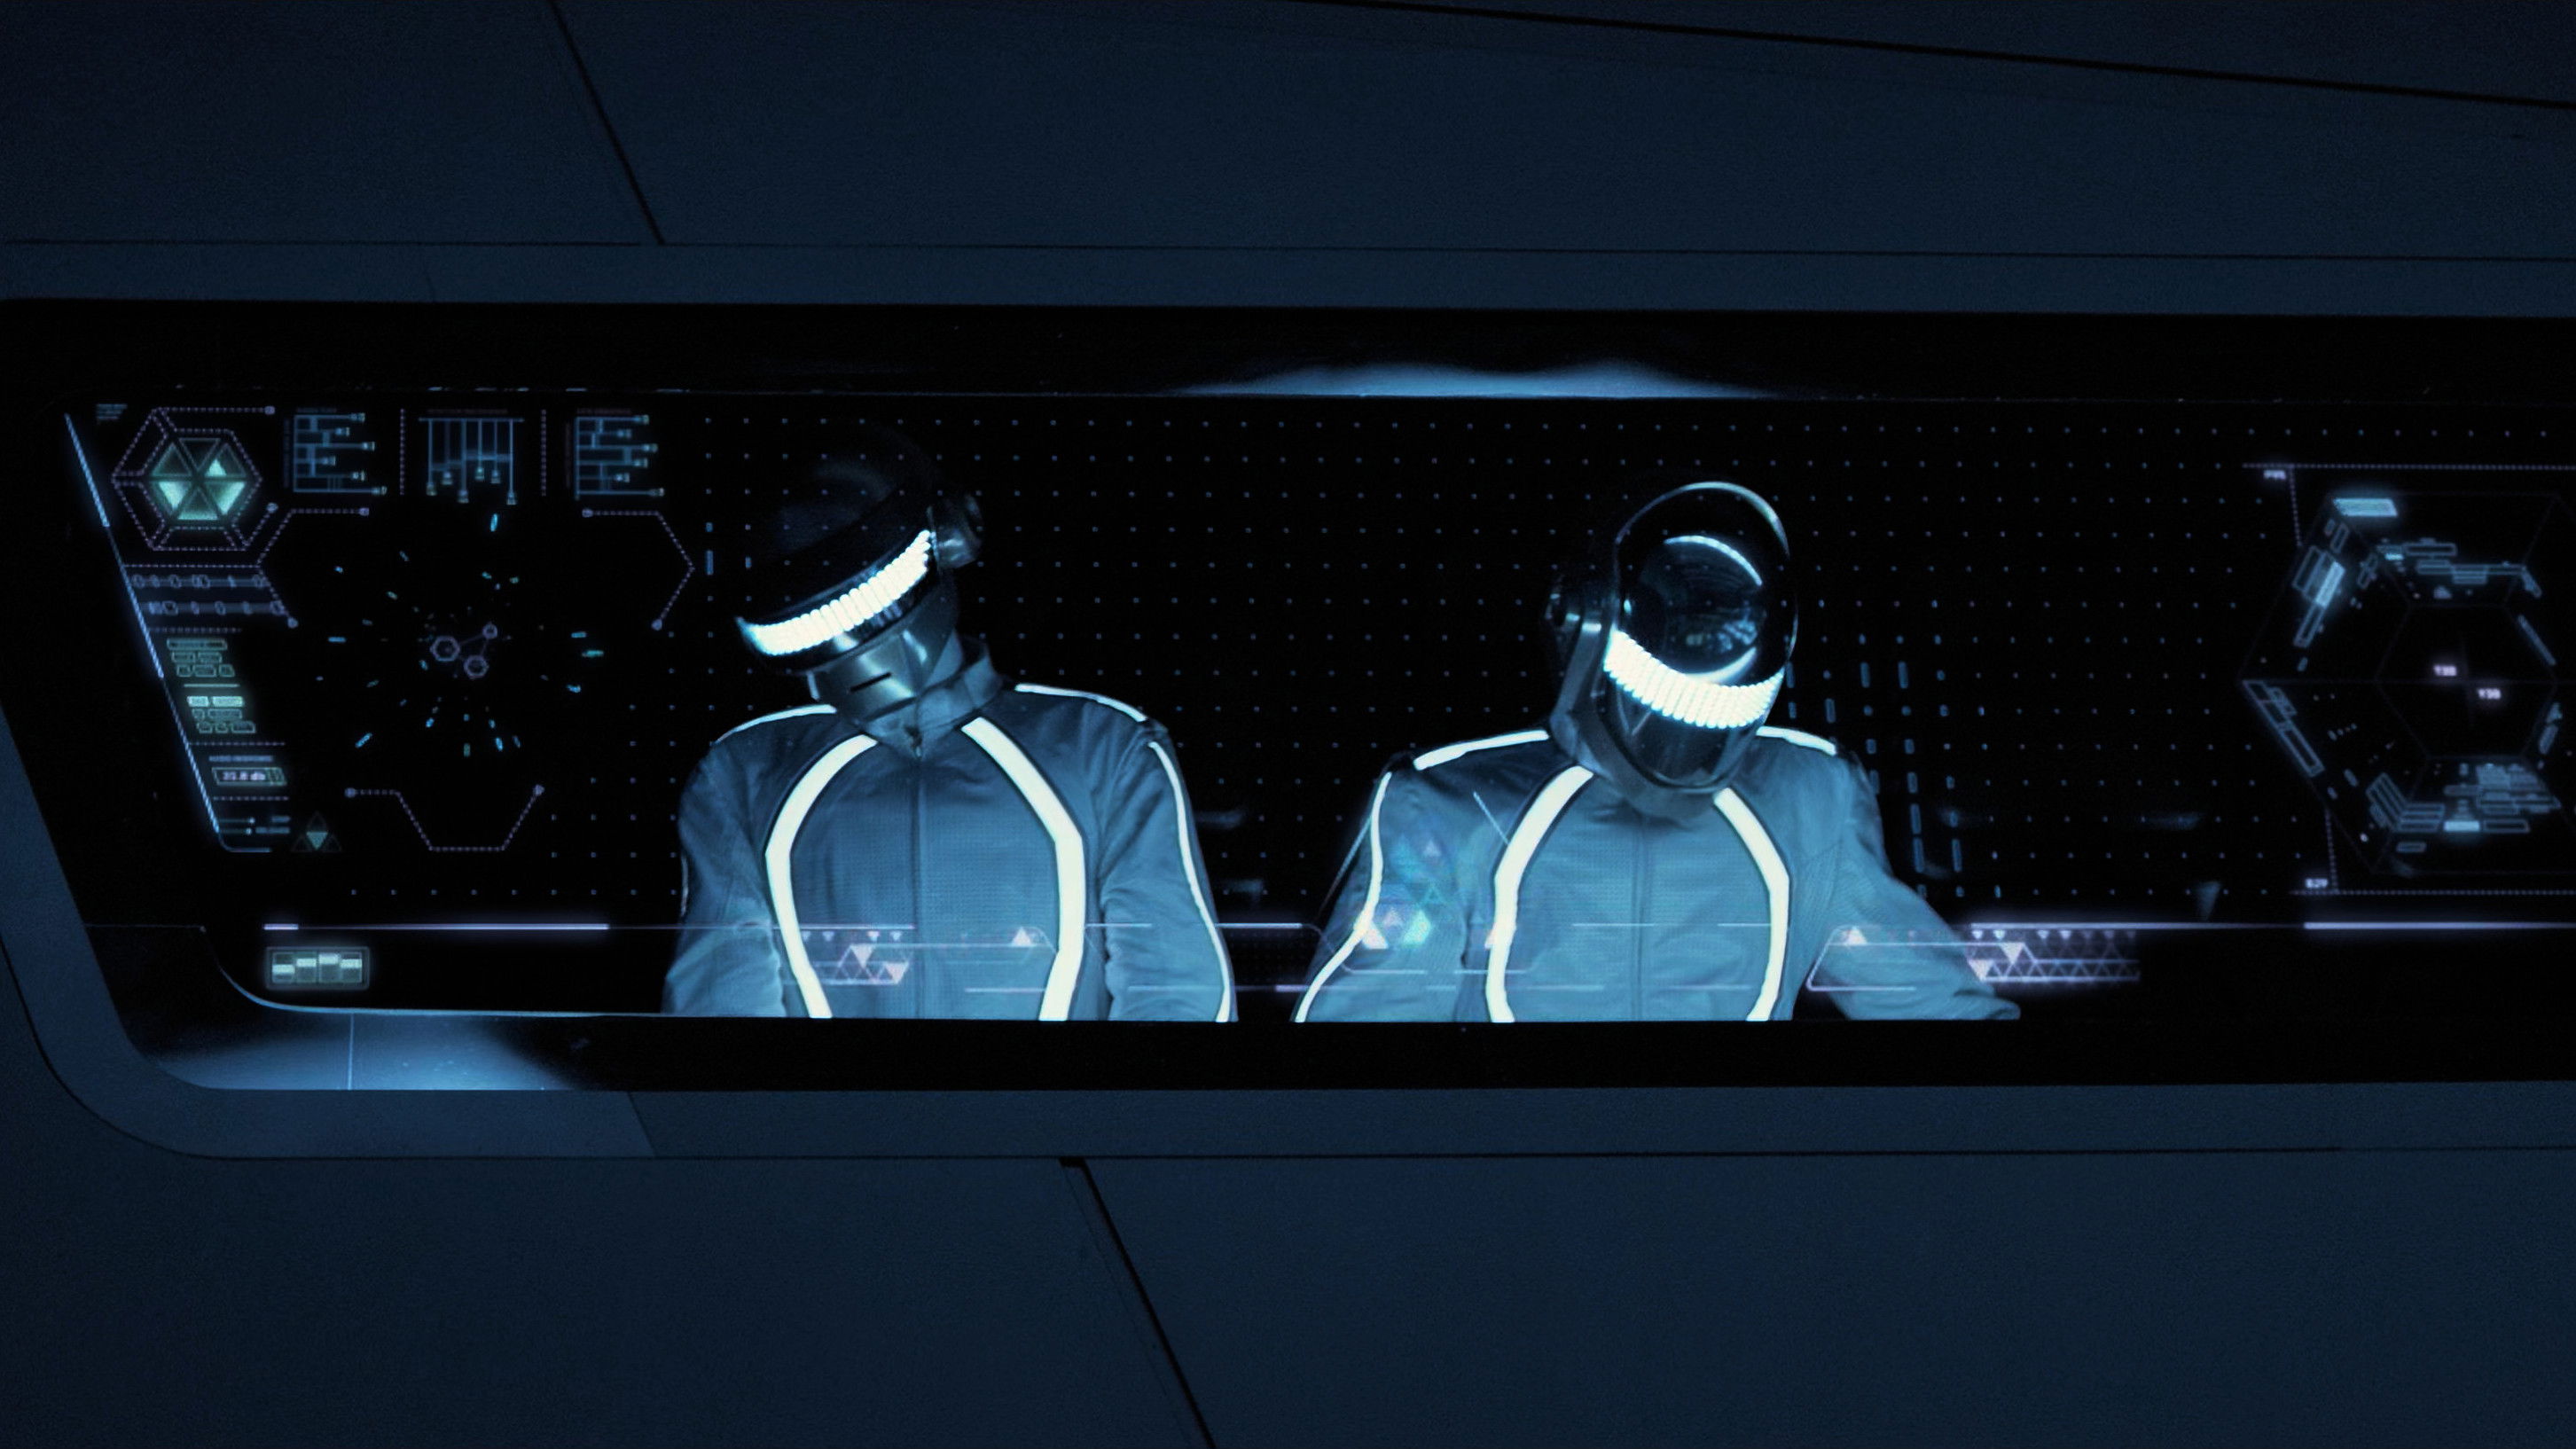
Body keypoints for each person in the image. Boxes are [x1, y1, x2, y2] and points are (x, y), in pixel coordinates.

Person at [1294, 479, 2014, 1022]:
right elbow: (1366, 1045)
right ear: (1581, 624)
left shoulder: (1806, 799)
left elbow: (1927, 1004)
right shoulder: (1451, 805)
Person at [663, 429, 1233, 1020]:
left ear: (950, 536)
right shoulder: (745, 771)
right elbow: (720, 1002)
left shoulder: (1103, 748)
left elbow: (1176, 989)